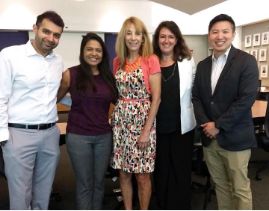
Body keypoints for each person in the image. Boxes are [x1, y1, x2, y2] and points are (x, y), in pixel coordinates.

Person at [192, 14, 259, 210]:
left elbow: (246, 100)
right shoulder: (203, 65)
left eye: (225, 31)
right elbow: (196, 98)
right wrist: (207, 125)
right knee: (220, 186)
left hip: (235, 137)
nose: (219, 36)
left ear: (232, 34)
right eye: (215, 32)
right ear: (209, 35)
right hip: (209, 139)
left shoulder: (246, 61)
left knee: (240, 188)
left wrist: (218, 125)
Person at [0, 11, 65, 209]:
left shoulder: (58, 62)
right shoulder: (10, 55)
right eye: (46, 31)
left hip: (49, 134)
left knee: (43, 193)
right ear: (35, 28)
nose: (51, 38)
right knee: (20, 195)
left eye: (56, 35)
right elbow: (1, 97)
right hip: (18, 134)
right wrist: (3, 136)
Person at [57, 32, 118, 209]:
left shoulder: (108, 77)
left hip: (103, 137)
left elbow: (119, 102)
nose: (94, 53)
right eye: (90, 49)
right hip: (78, 137)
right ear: (83, 51)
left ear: (103, 53)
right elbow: (53, 98)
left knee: (99, 183)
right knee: (85, 183)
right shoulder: (71, 74)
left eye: (98, 50)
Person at [111, 16, 161, 209]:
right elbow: (116, 95)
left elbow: (156, 99)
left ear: (143, 38)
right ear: (123, 37)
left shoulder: (150, 60)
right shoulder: (117, 62)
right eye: (129, 33)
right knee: (123, 173)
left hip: (143, 122)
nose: (133, 38)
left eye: (137, 33)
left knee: (142, 175)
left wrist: (146, 131)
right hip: (122, 123)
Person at [152, 21, 196, 209]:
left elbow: (194, 91)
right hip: (157, 126)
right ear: (157, 39)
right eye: (163, 36)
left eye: (171, 36)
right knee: (161, 170)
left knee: (181, 169)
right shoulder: (150, 60)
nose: (166, 40)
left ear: (176, 39)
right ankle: (162, 204)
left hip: (182, 126)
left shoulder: (187, 61)